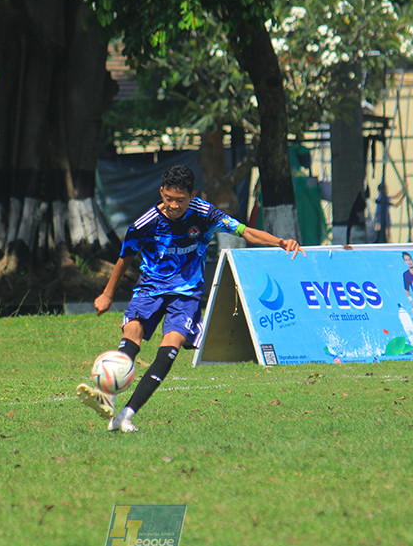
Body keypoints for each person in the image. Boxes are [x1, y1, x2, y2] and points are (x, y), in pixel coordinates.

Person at [77, 164, 305, 433]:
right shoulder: (145, 223)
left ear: (192, 195)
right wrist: (107, 293)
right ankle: (107, 395)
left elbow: (245, 231)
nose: (173, 205)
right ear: (161, 192)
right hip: (150, 288)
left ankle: (125, 416)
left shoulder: (205, 214)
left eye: (180, 200)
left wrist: (280, 242)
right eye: (168, 198)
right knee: (132, 334)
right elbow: (124, 257)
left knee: (170, 346)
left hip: (186, 293)